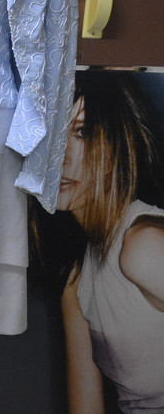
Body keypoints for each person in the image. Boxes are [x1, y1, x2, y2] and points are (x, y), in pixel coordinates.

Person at [50, 71, 164, 413]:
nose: (60, 155)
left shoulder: (142, 246)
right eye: (51, 134)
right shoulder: (76, 281)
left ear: (118, 144)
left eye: (81, 132)